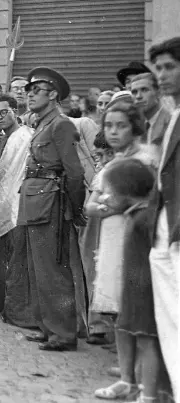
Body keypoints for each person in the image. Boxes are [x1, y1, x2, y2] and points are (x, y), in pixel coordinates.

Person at [19, 67, 87, 352]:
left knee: (53, 270)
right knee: (38, 269)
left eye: (37, 90)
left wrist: (74, 206)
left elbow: (74, 172)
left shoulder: (61, 124)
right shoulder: (42, 124)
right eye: (29, 91)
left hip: (53, 204)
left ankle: (63, 333)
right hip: (37, 201)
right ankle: (48, 328)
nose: (30, 95)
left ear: (54, 94)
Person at [91, 158, 164, 403]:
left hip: (145, 291)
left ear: (127, 192)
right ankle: (127, 381)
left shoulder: (146, 218)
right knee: (124, 329)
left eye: (111, 192)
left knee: (145, 338)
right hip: (131, 289)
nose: (106, 198)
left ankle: (149, 394)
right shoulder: (134, 215)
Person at [0, 93, 34, 325]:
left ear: (15, 110)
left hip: (17, 205)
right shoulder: (0, 139)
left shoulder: (24, 136)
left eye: (4, 112)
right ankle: (2, 304)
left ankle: (17, 311)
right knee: (1, 257)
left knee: (16, 259)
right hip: (1, 205)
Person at [150, 37, 180, 392]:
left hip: (176, 229)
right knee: (170, 320)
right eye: (158, 68)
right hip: (162, 228)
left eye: (170, 66)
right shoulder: (173, 117)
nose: (162, 75)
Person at [129, 73, 171, 148]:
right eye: (134, 92)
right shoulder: (137, 126)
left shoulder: (170, 121)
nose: (138, 96)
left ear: (159, 93)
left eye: (144, 90)